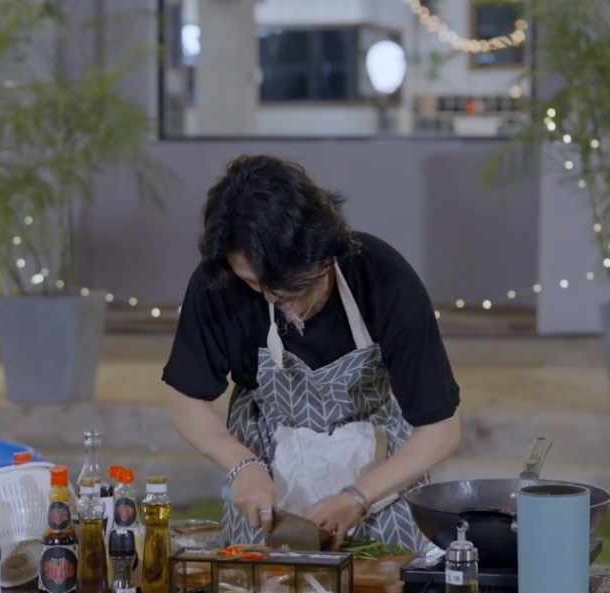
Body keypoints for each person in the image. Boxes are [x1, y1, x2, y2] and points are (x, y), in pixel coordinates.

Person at [163, 155, 461, 549]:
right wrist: (241, 464)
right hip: (269, 490)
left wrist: (358, 497)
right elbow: (186, 402)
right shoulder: (218, 284)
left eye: (287, 285)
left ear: (323, 252)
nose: (271, 297)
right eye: (254, 283)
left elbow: (441, 430)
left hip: (380, 486)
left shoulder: (383, 277)